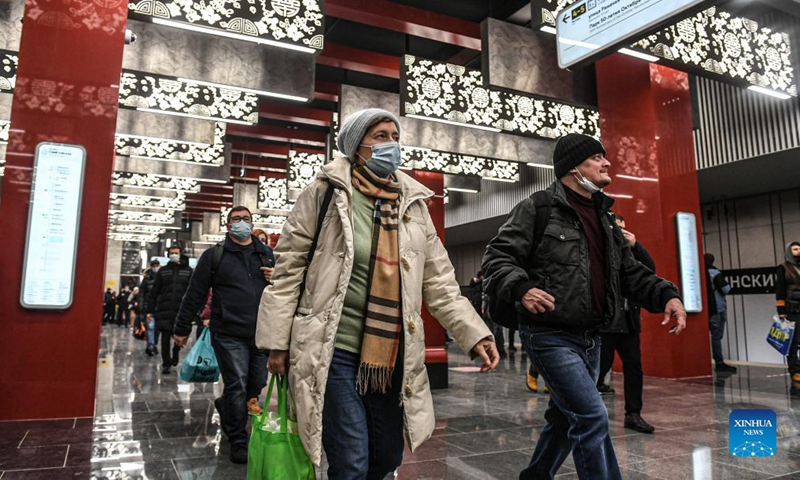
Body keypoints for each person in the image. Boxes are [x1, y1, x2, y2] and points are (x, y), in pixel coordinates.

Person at [256, 108, 499, 479]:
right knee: (351, 460)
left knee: (386, 457)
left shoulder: (413, 205)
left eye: (394, 136)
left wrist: (474, 332)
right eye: (380, 136)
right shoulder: (324, 195)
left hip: (389, 355)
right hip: (331, 347)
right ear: (357, 146)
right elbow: (288, 273)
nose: (391, 144)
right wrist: (277, 343)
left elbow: (439, 281)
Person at [482, 133, 686, 480]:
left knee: (565, 416)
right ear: (573, 168)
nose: (607, 163)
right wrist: (522, 288)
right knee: (591, 416)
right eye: (596, 158)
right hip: (549, 334)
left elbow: (629, 272)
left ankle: (536, 476)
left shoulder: (606, 219)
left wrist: (667, 294)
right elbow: (497, 257)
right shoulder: (539, 207)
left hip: (592, 337)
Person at [173, 206, 274, 464]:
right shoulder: (214, 256)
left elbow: (287, 289)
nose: (242, 223)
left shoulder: (267, 255)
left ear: (252, 223)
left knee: (256, 383)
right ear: (228, 225)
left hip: (260, 332)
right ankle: (238, 439)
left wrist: (278, 278)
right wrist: (182, 328)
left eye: (246, 219)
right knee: (238, 383)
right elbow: (194, 293)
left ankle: (227, 404)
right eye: (236, 219)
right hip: (228, 332)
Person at [596, 213, 657, 434]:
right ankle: (586, 413)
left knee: (634, 369)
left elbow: (649, 270)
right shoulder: (601, 251)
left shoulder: (630, 254)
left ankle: (633, 414)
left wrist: (635, 245)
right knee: (598, 370)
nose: (620, 232)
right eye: (616, 228)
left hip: (628, 322)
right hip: (605, 324)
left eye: (623, 228)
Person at [146, 245, 193, 375]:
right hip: (164, 310)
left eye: (176, 252)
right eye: (171, 253)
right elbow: (154, 291)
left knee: (179, 336)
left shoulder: (188, 271)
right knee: (165, 338)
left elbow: (193, 292)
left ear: (180, 254)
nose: (174, 255)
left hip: (180, 311)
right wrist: (150, 310)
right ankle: (166, 363)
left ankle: (176, 352)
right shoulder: (163, 271)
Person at [705, 253, 737, 373]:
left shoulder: (699, 273)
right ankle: (719, 362)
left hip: (706, 308)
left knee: (713, 335)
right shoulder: (715, 273)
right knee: (717, 336)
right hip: (718, 307)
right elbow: (726, 289)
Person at [776, 242, 800, 382]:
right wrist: (781, 309)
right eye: (795, 249)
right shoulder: (783, 268)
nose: (798, 251)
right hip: (792, 308)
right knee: (793, 341)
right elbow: (780, 289)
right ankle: (795, 370)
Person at [140, 260, 160, 356]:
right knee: (150, 327)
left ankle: (153, 343)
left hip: (160, 307)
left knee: (157, 328)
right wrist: (141, 306)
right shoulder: (146, 279)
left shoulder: (162, 277)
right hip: (149, 307)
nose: (155, 267)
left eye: (157, 265)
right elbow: (142, 293)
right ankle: (151, 345)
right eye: (154, 265)